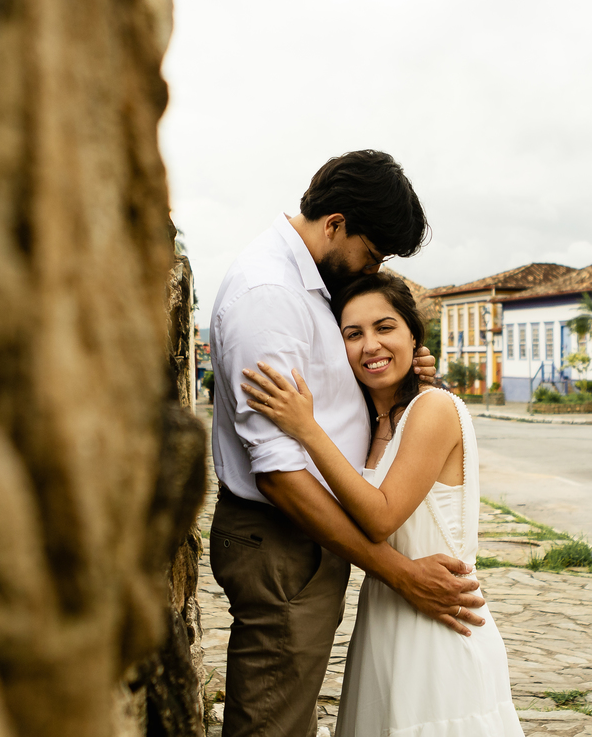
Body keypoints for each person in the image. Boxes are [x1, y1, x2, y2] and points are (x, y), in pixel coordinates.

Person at [208, 150, 485, 737]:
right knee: (273, 723)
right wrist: (401, 574)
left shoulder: (311, 287)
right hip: (284, 536)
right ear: (335, 224)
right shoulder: (270, 295)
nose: (371, 267)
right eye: (373, 252)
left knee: (290, 714)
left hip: (310, 542)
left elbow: (333, 400)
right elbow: (279, 471)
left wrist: (402, 380)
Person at [241, 273, 523, 736]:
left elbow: (380, 516)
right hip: (383, 622)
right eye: (353, 334)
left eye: (385, 327)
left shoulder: (434, 408)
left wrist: (305, 428)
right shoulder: (373, 422)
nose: (370, 345)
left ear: (415, 336)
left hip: (442, 631)